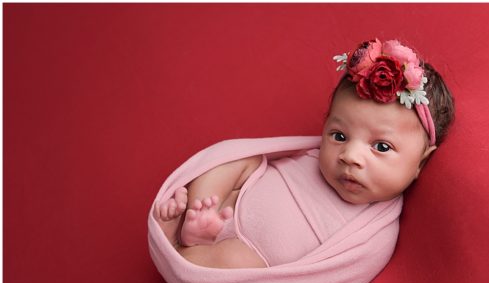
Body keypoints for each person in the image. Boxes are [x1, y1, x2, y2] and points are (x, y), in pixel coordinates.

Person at [152, 38, 454, 268]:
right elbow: (265, 164)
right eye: (339, 136)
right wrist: (222, 197)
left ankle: (185, 253)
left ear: (421, 162)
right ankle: (198, 215)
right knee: (238, 160)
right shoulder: (309, 158)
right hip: (236, 198)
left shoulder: (375, 233)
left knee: (237, 263)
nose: (350, 155)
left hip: (251, 252)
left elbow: (329, 276)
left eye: (381, 147)